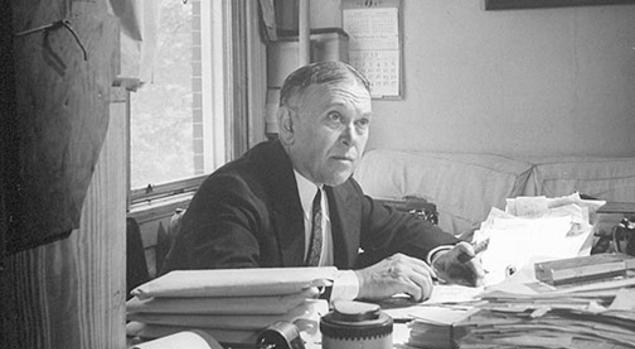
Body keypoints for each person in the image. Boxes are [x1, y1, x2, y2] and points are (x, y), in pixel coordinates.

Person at [161, 61, 484, 301]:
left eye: (362, 123)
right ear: (288, 124)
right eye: (335, 117)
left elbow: (398, 227)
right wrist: (358, 282)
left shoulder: (338, 187)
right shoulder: (234, 191)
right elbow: (236, 292)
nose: (351, 139)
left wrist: (444, 254)